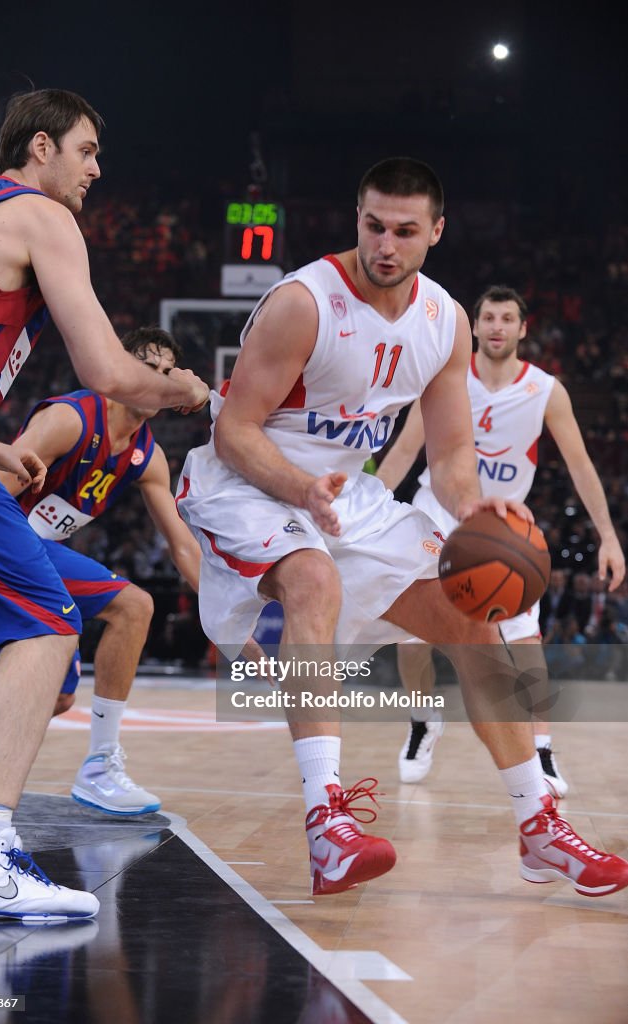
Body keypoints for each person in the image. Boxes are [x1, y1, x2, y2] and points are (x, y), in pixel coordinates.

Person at [177, 158, 628, 898]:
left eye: (404, 231)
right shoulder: (303, 303)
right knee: (312, 576)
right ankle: (326, 825)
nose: (385, 244)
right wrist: (299, 488)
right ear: (357, 219)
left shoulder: (443, 321)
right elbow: (234, 431)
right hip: (249, 483)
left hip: (341, 493)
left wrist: (474, 503)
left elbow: (451, 452)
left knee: (469, 616)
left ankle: (537, 825)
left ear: (435, 233)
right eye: (373, 226)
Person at [0, 89, 209, 921]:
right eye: (86, 150)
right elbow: (105, 367)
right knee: (47, 619)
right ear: (38, 148)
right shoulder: (39, 216)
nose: (96, 169)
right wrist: (180, 390)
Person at [376, 285, 625, 793]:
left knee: (525, 642)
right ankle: (423, 720)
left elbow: (581, 466)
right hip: (436, 514)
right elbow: (404, 452)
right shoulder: (447, 380)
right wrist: (364, 509)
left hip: (503, 529)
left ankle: (542, 750)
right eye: (488, 317)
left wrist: (608, 536)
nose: (495, 326)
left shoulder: (545, 390)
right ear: (473, 325)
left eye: (506, 318)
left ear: (522, 328)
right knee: (411, 638)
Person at [0, 326, 202, 816]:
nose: (158, 379)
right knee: (135, 606)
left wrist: (224, 615)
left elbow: (182, 546)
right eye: (146, 368)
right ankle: (100, 767)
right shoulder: (70, 418)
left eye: (168, 373)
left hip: (37, 557)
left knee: (54, 699)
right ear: (119, 369)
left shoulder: (149, 457)